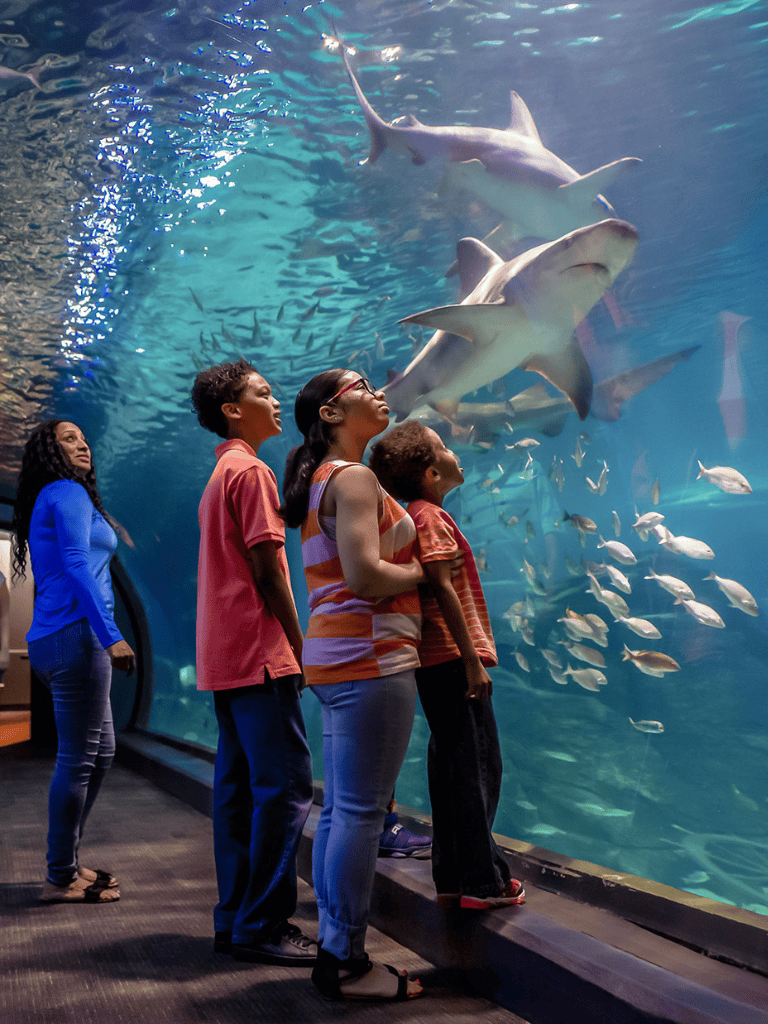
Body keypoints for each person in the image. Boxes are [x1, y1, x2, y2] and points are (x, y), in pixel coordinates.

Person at [282, 369, 444, 1001]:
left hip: (338, 658)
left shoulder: (322, 481)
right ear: (330, 411)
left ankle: (335, 945)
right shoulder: (352, 477)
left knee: (343, 810)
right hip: (369, 658)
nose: (379, 392)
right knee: (358, 812)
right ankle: (346, 960)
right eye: (362, 385)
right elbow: (367, 577)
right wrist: (431, 575)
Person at [369, 420, 525, 910]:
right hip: (452, 659)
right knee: (478, 767)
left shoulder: (418, 514)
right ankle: (482, 881)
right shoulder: (430, 517)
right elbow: (440, 583)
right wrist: (471, 660)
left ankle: (455, 877)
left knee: (455, 767)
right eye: (444, 447)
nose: (455, 451)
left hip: (438, 660)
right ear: (432, 471)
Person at [191, 360, 316, 966]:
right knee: (286, 789)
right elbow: (267, 567)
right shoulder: (255, 473)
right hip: (261, 654)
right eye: (262, 393)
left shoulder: (218, 477)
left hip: (225, 657)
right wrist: (301, 642)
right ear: (233, 411)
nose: (276, 400)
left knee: (237, 791)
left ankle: (234, 918)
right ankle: (264, 923)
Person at [11, 420, 135, 903]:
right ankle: (59, 875)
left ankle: (65, 861)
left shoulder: (62, 496)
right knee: (79, 758)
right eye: (68, 438)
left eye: (84, 438)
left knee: (99, 754)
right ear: (49, 450)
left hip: (57, 639)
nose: (82, 443)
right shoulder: (65, 491)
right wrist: (112, 637)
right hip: (76, 638)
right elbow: (78, 563)